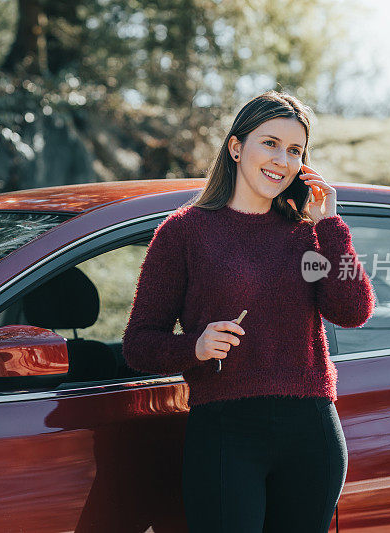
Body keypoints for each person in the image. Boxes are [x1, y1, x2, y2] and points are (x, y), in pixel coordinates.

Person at [121, 90, 376, 532]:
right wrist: (195, 348)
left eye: (295, 150)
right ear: (236, 148)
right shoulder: (183, 233)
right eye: (270, 143)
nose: (282, 159)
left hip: (311, 431)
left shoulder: (307, 234)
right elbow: (139, 343)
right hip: (226, 433)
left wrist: (330, 226)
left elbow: (352, 311)